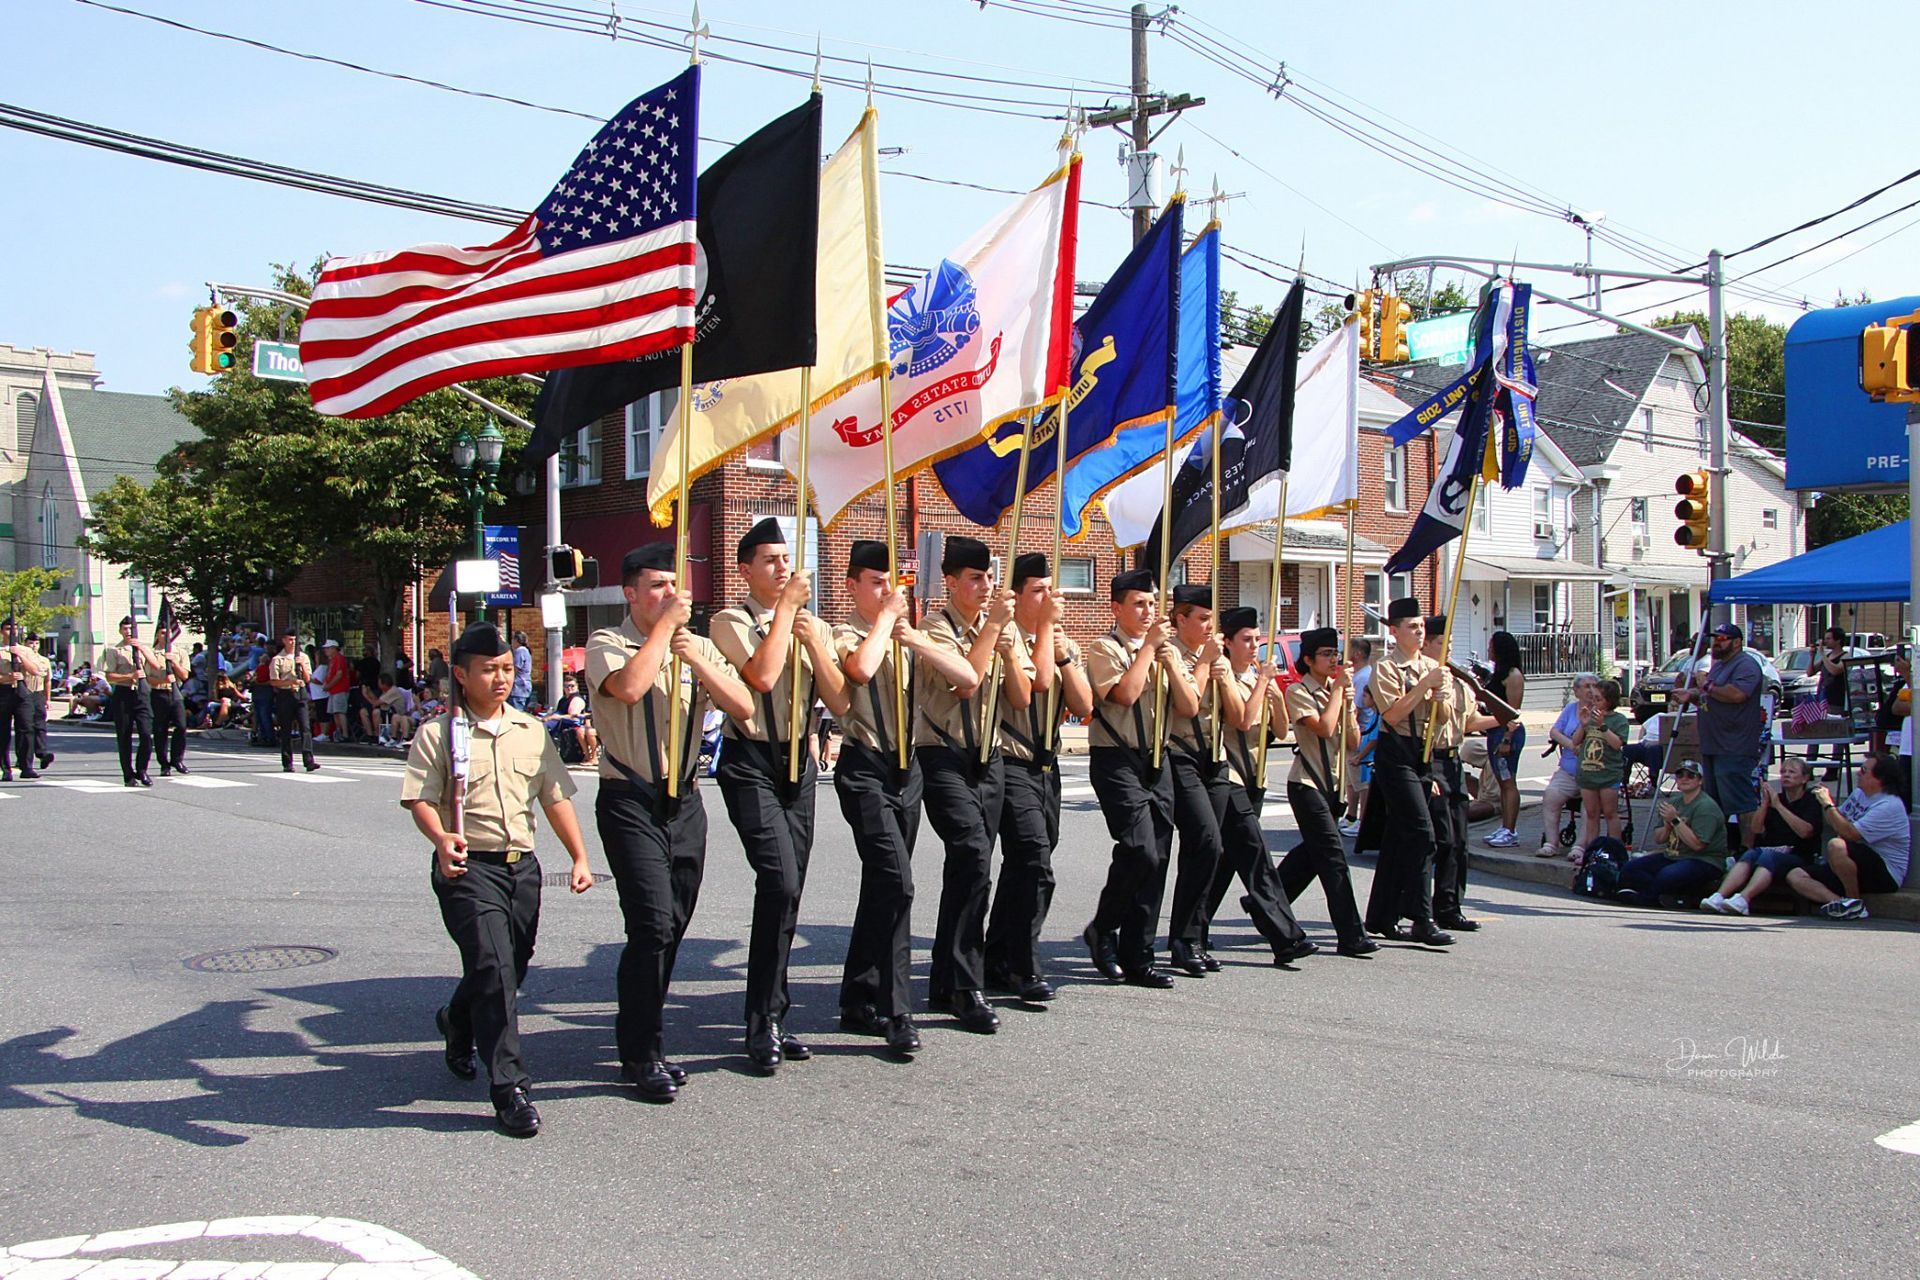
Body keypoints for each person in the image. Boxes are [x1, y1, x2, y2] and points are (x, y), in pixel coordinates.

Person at [401, 621, 593, 1138]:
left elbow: (554, 797)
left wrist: (578, 856)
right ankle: (509, 1086)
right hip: (468, 866)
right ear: (461, 675)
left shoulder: (530, 731)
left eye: (507, 668)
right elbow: (419, 797)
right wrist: (441, 839)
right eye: (489, 670)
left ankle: (458, 1020)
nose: (500, 678)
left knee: (511, 965)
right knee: (492, 964)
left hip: (521, 867)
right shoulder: (440, 734)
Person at [590, 543, 753, 1101]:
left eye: (674, 584)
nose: (670, 594)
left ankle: (648, 1041)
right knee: (652, 925)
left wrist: (698, 655)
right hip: (629, 799)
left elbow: (743, 706)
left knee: (673, 926)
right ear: (631, 593)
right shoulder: (608, 643)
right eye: (657, 585)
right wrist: (664, 635)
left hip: (684, 802)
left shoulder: (694, 645)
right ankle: (639, 1052)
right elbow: (630, 687)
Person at [710, 518, 850, 1072]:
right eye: (769, 560)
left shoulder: (809, 622)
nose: (782, 568)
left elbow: (840, 702)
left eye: (785, 558)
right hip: (751, 760)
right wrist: (788, 612)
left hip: (800, 758)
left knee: (789, 893)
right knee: (779, 877)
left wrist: (815, 641)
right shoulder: (730, 619)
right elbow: (761, 678)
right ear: (745, 569)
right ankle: (760, 1020)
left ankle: (773, 1013)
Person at [835, 541, 959, 1056]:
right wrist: (888, 621)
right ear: (853, 587)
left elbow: (966, 680)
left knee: (883, 885)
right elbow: (859, 670)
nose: (891, 591)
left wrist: (916, 638)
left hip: (909, 770)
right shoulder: (843, 630)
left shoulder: (909, 636)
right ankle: (896, 1009)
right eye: (878, 583)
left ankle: (857, 994)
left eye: (896, 582)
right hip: (864, 764)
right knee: (898, 882)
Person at [913, 534, 1032, 1033]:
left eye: (988, 577)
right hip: (942, 754)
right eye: (974, 579)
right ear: (951, 582)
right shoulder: (933, 628)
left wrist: (1007, 648)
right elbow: (966, 680)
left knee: (974, 866)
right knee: (972, 853)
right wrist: (994, 635)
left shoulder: (998, 629)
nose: (984, 587)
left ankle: (950, 974)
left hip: (991, 756)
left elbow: (1023, 698)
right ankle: (965, 982)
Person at [984, 553, 1092, 1004]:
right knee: (1034, 861)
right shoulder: (1004, 639)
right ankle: (1024, 964)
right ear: (1017, 596)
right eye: (1039, 590)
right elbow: (1034, 691)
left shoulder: (1060, 640)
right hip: (1011, 759)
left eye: (1052, 588)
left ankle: (997, 955)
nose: (1051, 597)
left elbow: (1084, 706)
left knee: (1026, 866)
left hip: (1047, 765)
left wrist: (1063, 650)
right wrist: (1046, 632)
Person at [1082, 568, 1195, 987]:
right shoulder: (1104, 648)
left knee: (1158, 860)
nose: (1149, 611)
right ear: (1117, 608)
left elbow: (1188, 707)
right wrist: (1148, 651)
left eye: (1152, 603)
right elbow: (1124, 696)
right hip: (1117, 758)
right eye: (1139, 604)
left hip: (1157, 759)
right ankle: (1103, 926)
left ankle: (1138, 955)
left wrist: (1172, 663)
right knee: (1139, 849)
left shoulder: (1164, 651)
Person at [1270, 624, 1375, 957]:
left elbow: (1352, 741)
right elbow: (1323, 727)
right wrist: (1337, 698)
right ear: (1309, 658)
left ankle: (1265, 902)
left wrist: (1347, 705)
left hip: (1333, 787)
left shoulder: (1337, 691)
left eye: (1336, 654)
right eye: (1327, 654)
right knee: (1333, 858)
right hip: (1307, 784)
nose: (1334, 661)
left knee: (1310, 857)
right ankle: (1351, 934)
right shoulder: (1300, 691)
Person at [1362, 599, 1455, 947]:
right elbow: (1392, 715)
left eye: (1421, 627)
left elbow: (1443, 718)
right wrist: (1423, 686)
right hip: (1396, 752)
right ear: (1394, 631)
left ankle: (1381, 914)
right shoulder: (1385, 668)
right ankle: (1421, 916)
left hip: (1423, 754)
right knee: (1422, 834)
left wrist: (1441, 695)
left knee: (1400, 837)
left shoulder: (1432, 665)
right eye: (1412, 627)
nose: (1419, 632)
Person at [1423, 615, 1497, 933]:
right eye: (1441, 642)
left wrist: (1501, 719)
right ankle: (1420, 908)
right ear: (1426, 643)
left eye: (1450, 642)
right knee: (1439, 839)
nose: (1447, 647)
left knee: (1460, 841)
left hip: (1453, 761)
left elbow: (1468, 723)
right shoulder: (1422, 676)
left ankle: (1450, 906)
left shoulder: (1459, 681)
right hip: (1430, 759)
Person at [1785, 753, 1911, 921]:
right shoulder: (1860, 793)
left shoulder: (1889, 805)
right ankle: (1843, 903)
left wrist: (1828, 804)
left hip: (1885, 872)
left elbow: (1849, 834)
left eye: (1864, 770)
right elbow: (1837, 821)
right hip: (1848, 863)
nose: (1858, 773)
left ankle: (1854, 901)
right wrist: (1824, 803)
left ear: (1879, 779)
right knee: (1795, 875)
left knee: (1837, 845)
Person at [1677, 622, 1764, 844]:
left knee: (1741, 803)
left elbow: (1736, 694)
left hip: (1734, 744)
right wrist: (1693, 695)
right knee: (1715, 803)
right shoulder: (1719, 665)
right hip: (1713, 744)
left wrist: (1706, 687)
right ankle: (1721, 850)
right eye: (1714, 638)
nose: (1715, 642)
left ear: (1736, 642)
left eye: (1722, 639)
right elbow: (1711, 694)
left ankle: (1748, 852)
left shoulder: (1746, 665)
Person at [1702, 757, 1823, 915]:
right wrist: (1765, 805)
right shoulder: (1777, 798)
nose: (1785, 775)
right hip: (1772, 850)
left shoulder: (1811, 800)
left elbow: (1805, 831)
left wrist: (1778, 807)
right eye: (1783, 772)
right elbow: (1756, 828)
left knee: (1767, 857)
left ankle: (1744, 899)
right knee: (1750, 854)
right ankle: (1719, 896)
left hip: (1799, 855)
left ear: (1805, 778)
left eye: (1792, 772)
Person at [1616, 759, 1728, 907]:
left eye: (1690, 775)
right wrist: (1668, 825)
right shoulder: (1674, 802)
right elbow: (1659, 838)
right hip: (1674, 855)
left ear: (1700, 780)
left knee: (1667, 875)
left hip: (1704, 860)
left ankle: (1648, 898)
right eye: (1680, 775)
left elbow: (1698, 845)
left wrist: (1675, 820)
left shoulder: (1706, 807)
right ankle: (1664, 895)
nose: (1684, 779)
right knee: (1630, 869)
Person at [1534, 673, 1601, 861]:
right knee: (1551, 796)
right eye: (1586, 686)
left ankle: (1580, 846)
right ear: (1576, 691)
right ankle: (1551, 843)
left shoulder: (1600, 710)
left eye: (1594, 685)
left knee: (1590, 805)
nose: (1591, 690)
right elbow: (1554, 731)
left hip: (1593, 772)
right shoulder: (1571, 709)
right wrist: (1571, 745)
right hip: (1569, 770)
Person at [1481, 631, 1526, 847]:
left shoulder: (1513, 675)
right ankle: (1504, 826)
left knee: (1509, 782)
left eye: (1492, 645)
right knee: (1501, 782)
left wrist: (1507, 739)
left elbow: (1513, 712)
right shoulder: (1496, 673)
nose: (1488, 648)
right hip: (1493, 730)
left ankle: (1511, 830)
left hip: (1506, 733)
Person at [1575, 679, 1631, 853]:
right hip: (1588, 773)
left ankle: (1614, 850)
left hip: (1608, 773)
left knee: (1609, 813)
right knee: (1591, 814)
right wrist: (1583, 725)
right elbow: (1575, 741)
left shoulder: (1619, 720)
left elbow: (1617, 744)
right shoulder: (1590, 717)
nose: (1594, 702)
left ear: (1609, 700)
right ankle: (1593, 850)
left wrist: (1603, 726)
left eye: (1599, 699)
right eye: (1594, 698)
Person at [101, 616, 155, 787]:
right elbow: (110, 676)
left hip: (142, 693)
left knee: (146, 734)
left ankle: (142, 770)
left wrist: (142, 650)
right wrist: (130, 676)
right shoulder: (113, 651)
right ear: (120, 630)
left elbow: (155, 666)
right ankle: (128, 775)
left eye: (131, 628)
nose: (128, 631)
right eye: (125, 628)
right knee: (124, 736)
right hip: (124, 694)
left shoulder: (143, 648)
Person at [267, 629, 320, 773]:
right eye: (290, 639)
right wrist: (289, 682)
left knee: (306, 728)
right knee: (286, 730)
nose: (293, 642)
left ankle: (309, 760)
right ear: (284, 640)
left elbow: (308, 678)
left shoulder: (303, 657)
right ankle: (287, 762)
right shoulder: (278, 659)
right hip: (285, 694)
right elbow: (273, 681)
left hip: (301, 693)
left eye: (295, 640)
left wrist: (302, 664)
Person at [143, 624, 192, 776]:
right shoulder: (151, 653)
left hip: (175, 693)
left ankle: (177, 759)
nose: (166, 636)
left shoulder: (180, 652)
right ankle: (164, 763)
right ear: (157, 635)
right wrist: (162, 679)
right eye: (163, 633)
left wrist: (174, 662)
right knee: (160, 730)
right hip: (158, 694)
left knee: (181, 726)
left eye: (168, 633)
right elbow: (147, 678)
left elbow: (184, 676)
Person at [1340, 636, 1374, 835]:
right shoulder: (1358, 675)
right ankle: (1351, 816)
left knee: (1362, 783)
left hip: (1360, 733)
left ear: (1358, 654)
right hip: (1352, 733)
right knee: (1351, 781)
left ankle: (1363, 820)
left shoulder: (1363, 677)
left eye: (1348, 650)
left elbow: (1358, 708)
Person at [0, 625, 41, 782]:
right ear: (2, 631)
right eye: (8, 628)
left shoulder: (25, 650)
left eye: (15, 628)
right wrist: (6, 678)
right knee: (3, 732)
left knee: (26, 728)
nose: (12, 632)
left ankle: (26, 766)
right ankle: (5, 768)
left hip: (21, 690)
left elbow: (35, 670)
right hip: (3, 691)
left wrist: (19, 656)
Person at [543, 672, 592, 762]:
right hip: (560, 723)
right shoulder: (563, 699)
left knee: (547, 727)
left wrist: (554, 717)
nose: (569, 688)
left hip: (571, 724)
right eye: (566, 686)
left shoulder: (577, 699)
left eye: (572, 686)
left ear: (577, 687)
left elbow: (572, 716)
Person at [321, 640, 352, 742]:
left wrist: (328, 685)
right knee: (335, 712)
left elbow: (339, 675)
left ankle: (345, 734)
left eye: (328, 648)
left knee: (340, 711)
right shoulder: (332, 660)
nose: (326, 650)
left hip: (340, 689)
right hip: (333, 691)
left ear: (334, 648)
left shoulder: (339, 658)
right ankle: (338, 732)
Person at [378, 673, 419, 744]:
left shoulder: (432, 702)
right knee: (395, 716)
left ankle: (405, 739)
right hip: (406, 715)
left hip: (417, 718)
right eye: (425, 693)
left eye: (427, 693)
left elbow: (422, 712)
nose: (425, 694)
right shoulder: (423, 701)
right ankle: (393, 739)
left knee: (403, 718)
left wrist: (418, 703)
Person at [509, 631, 534, 711]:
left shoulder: (520, 651)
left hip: (518, 688)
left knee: (516, 714)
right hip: (524, 687)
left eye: (512, 639)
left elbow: (515, 669)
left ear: (516, 640)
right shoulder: (525, 651)